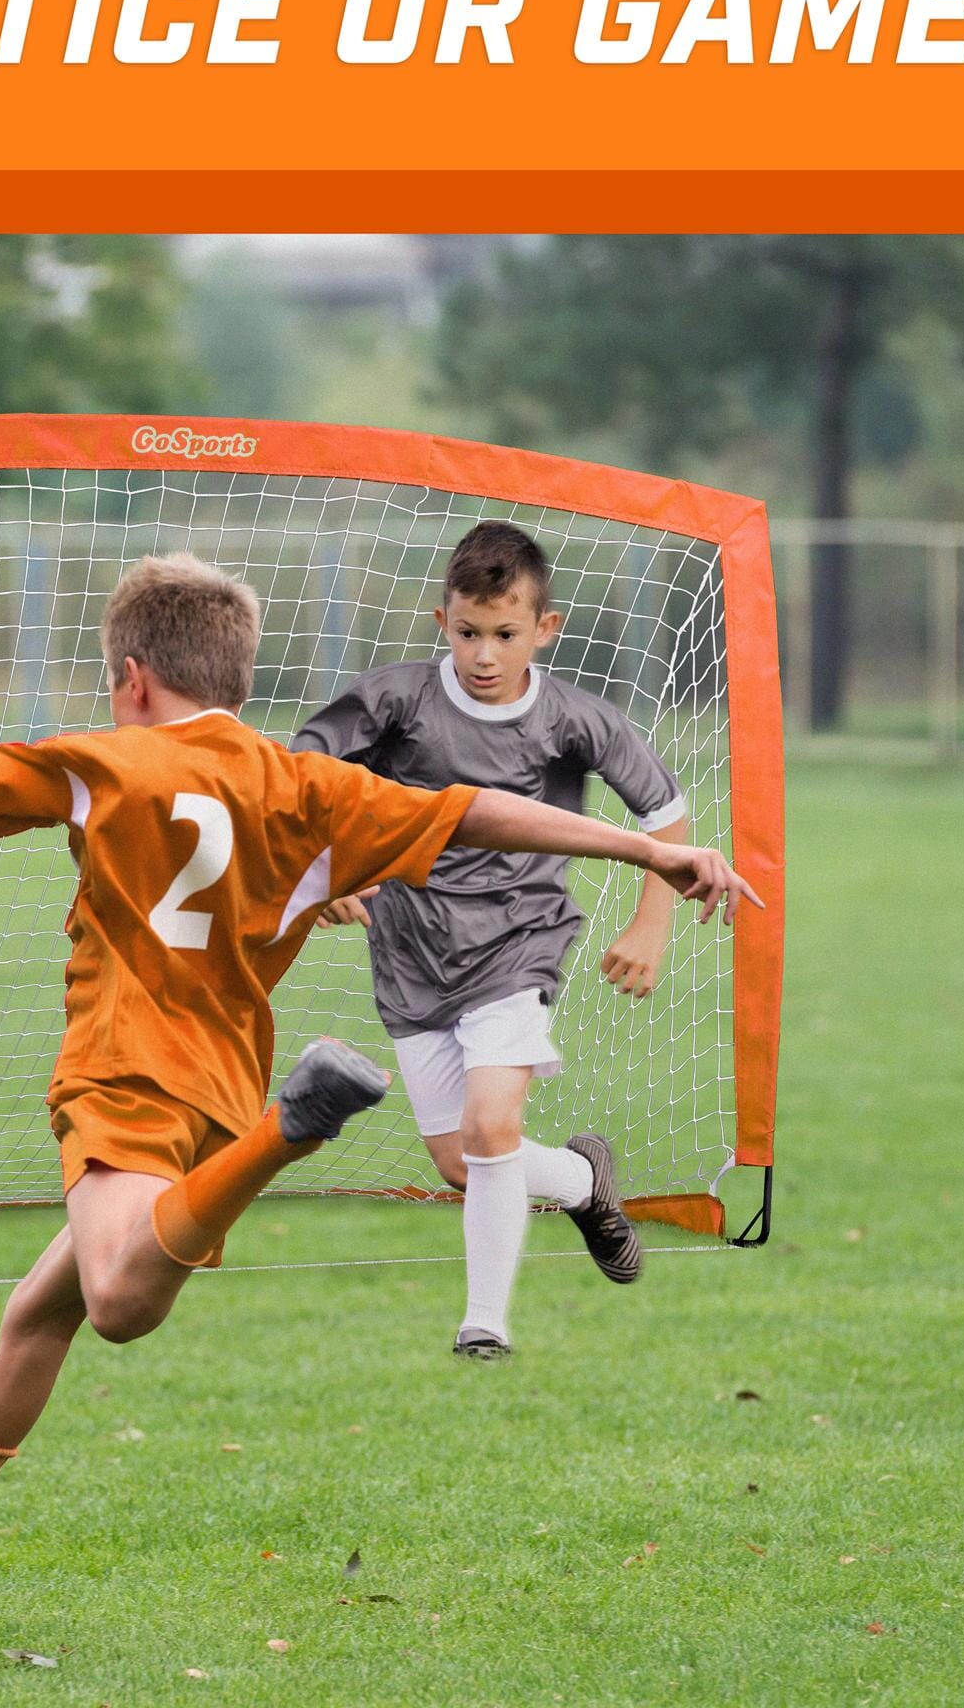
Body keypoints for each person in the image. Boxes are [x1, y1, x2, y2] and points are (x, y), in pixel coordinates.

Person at [0, 552, 756, 1630]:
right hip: (212, 1092)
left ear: (132, 675)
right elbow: (474, 809)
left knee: (121, 1301)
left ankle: (295, 1127)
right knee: (37, 1315)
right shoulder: (301, 782)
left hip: (125, 1071)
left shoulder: (95, 758)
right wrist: (639, 850)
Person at [295, 519, 698, 1359]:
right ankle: (587, 1183)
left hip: (520, 944)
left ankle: (484, 1326)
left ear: (543, 630)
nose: (484, 654)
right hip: (409, 954)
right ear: (442, 620)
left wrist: (651, 922)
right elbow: (299, 775)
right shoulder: (395, 700)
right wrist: (327, 867)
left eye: (505, 635)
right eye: (469, 633)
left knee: (489, 1129)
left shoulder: (575, 720)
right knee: (464, 1160)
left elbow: (665, 818)